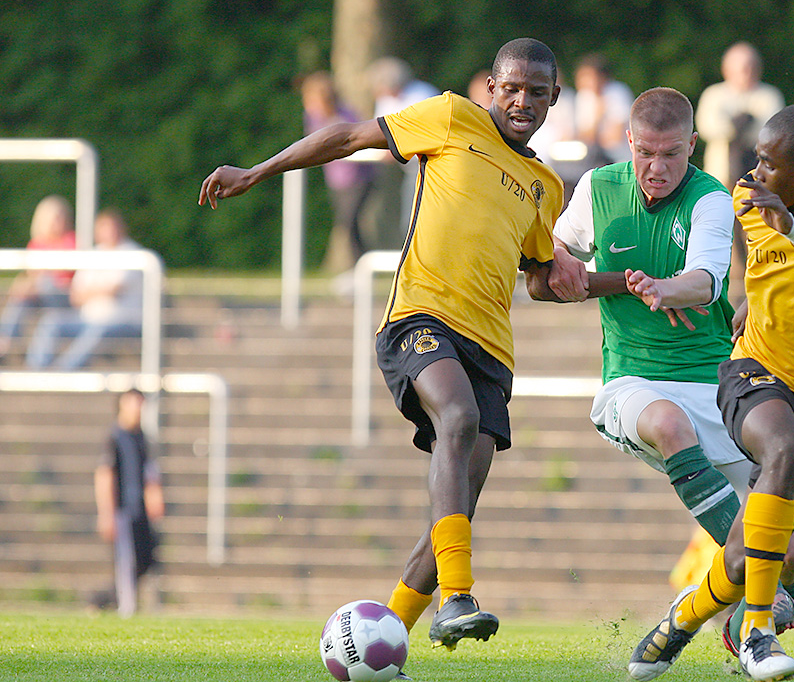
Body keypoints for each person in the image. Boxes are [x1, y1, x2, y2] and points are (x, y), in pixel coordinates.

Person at [200, 38, 565, 661]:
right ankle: (457, 599)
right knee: (457, 417)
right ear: (490, 89)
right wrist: (257, 172)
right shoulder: (451, 117)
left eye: (537, 91)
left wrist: (622, 282)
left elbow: (540, 278)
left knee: (451, 521)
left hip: (493, 352)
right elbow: (346, 138)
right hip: (420, 320)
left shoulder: (545, 186)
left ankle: (379, 642)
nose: (522, 100)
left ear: (555, 99)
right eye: (511, 87)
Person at [535, 87, 794, 660]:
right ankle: (765, 593)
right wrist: (559, 264)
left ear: (693, 146)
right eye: (646, 154)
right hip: (633, 381)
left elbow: (705, 283)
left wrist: (658, 288)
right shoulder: (596, 189)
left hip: (715, 384)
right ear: (627, 142)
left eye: (671, 155)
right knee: (669, 422)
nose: (656, 169)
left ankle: (687, 624)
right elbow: (546, 273)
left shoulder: (710, 198)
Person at [625, 105, 794, 682]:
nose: (757, 171)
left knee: (747, 556)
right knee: (782, 450)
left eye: (770, 162)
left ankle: (680, 620)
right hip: (753, 372)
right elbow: (754, 268)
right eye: (758, 158)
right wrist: (745, 302)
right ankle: (757, 634)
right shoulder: (748, 199)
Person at [25, 210, 145, 371]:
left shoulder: (133, 253)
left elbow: (113, 289)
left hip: (123, 321)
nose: (109, 232)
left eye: (112, 227)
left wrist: (91, 292)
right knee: (52, 321)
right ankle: (36, 369)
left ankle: (63, 371)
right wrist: (98, 291)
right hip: (88, 317)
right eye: (104, 228)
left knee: (98, 329)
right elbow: (76, 296)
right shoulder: (93, 254)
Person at [91, 388, 164, 617]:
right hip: (122, 509)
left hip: (138, 510)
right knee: (125, 563)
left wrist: (153, 496)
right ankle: (126, 610)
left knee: (146, 559)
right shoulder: (115, 437)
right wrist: (107, 513)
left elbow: (149, 473)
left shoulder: (140, 436)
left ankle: (100, 601)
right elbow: (105, 474)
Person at [300, 71, 375, 273]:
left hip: (359, 179)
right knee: (347, 225)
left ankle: (360, 267)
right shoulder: (312, 118)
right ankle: (359, 267)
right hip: (337, 180)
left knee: (349, 223)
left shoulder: (346, 116)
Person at [366, 57, 441, 252]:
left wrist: (398, 149)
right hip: (408, 169)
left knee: (421, 219)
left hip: (430, 168)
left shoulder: (423, 96)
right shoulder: (385, 100)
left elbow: (429, 136)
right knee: (408, 219)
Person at [695, 42, 785, 191]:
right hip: (720, 175)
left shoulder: (769, 96)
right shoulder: (714, 95)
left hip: (760, 177)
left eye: (751, 67)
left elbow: (772, 133)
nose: (747, 72)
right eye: (742, 68)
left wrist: (742, 128)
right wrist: (736, 126)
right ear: (727, 69)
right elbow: (707, 127)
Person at [0, 195, 76, 360]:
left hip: (64, 297)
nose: (57, 222)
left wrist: (36, 282)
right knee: (20, 298)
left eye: (60, 217)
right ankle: (4, 341)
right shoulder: (36, 244)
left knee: (44, 283)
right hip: (41, 296)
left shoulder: (72, 240)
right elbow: (32, 276)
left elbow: (62, 274)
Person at [573, 53, 634, 166]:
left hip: (619, 156)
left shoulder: (617, 92)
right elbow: (584, 135)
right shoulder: (584, 97)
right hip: (592, 156)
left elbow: (616, 137)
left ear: (602, 77)